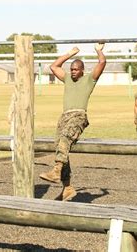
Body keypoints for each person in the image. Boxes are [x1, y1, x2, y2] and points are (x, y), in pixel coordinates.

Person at [39, 43, 106, 201]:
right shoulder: (68, 79)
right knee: (61, 148)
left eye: (76, 69)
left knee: (65, 139)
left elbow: (102, 63)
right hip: (64, 117)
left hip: (78, 115)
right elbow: (54, 66)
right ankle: (67, 187)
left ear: (82, 70)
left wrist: (98, 50)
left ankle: (56, 171)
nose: (73, 72)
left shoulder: (89, 80)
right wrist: (70, 53)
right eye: (72, 69)